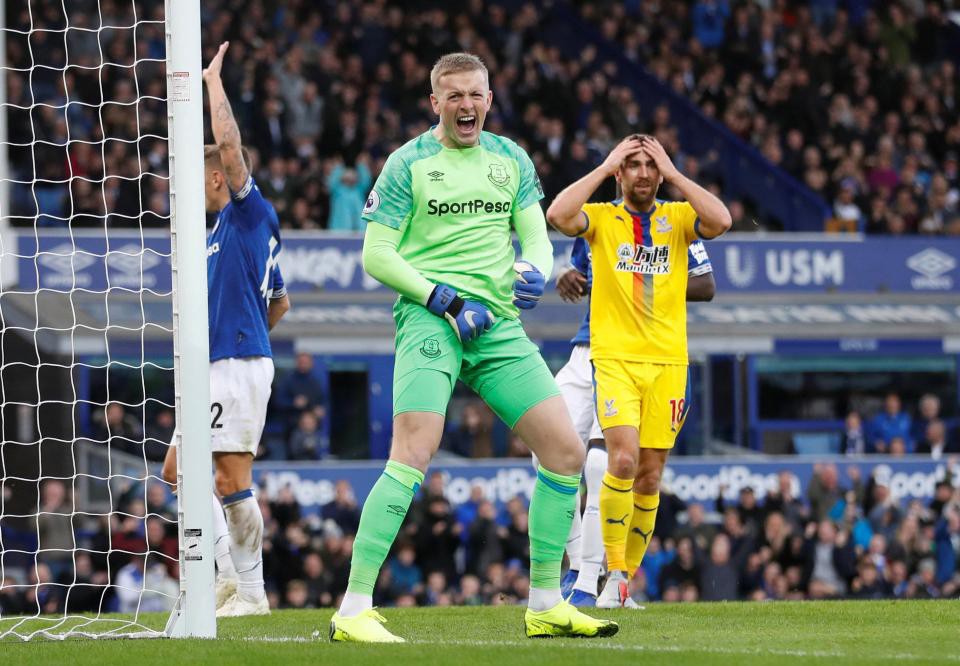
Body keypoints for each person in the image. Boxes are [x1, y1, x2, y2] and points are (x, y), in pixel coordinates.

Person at [329, 52, 617, 643]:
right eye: (454, 96)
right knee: (414, 451)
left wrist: (537, 270)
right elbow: (376, 254)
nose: (467, 106)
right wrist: (445, 300)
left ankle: (543, 603)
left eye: (476, 95)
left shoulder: (510, 159)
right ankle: (354, 606)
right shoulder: (408, 164)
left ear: (490, 97)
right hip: (432, 319)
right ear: (435, 102)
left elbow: (535, 235)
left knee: (565, 453)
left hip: (497, 323)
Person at [547, 133, 731, 608]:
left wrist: (674, 174)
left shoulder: (678, 218)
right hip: (608, 357)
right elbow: (559, 216)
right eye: (633, 165)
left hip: (669, 361)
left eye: (651, 165)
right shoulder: (603, 219)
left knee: (649, 476)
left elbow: (722, 222)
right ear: (619, 174)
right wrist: (605, 164)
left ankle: (615, 584)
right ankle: (598, 573)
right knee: (614, 461)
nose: (643, 173)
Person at [161, 42, 290, 618]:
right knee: (177, 471)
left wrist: (212, 84)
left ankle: (252, 593)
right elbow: (280, 299)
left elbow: (232, 145)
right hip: (226, 360)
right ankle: (225, 578)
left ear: (217, 176)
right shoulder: (219, 236)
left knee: (230, 477)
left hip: (234, 364)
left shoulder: (246, 212)